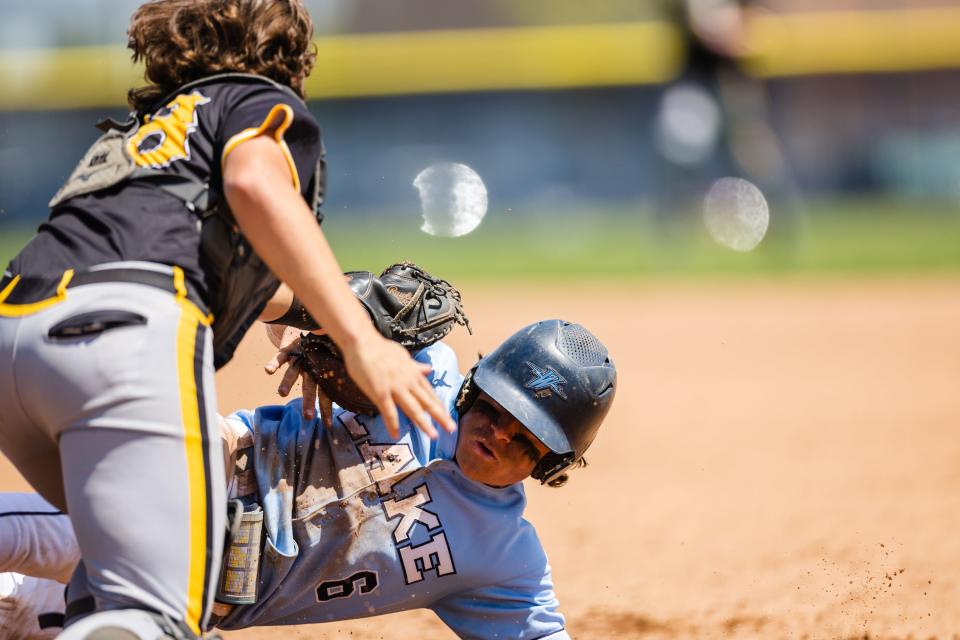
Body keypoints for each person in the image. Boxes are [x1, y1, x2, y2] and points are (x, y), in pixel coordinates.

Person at [0, 2, 453, 638]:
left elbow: (195, 251)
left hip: (19, 335)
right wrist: (358, 337)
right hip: (121, 336)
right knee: (160, 615)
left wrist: (307, 316)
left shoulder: (154, 128)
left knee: (121, 557)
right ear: (285, 53)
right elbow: (254, 185)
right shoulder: (254, 100)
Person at [0, 319, 617, 639]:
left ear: (552, 463)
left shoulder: (506, 562)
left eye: (525, 438)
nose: (498, 435)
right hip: (198, 479)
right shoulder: (420, 373)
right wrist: (307, 320)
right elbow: (296, 300)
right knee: (31, 537)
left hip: (195, 597)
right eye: (493, 410)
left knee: (22, 612)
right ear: (474, 388)